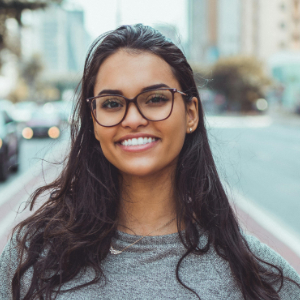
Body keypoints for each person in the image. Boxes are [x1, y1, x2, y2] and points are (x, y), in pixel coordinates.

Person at [0, 24, 300, 300]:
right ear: (93, 121)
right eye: (112, 104)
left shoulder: (262, 279)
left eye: (155, 99)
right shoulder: (31, 257)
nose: (132, 119)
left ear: (191, 113)